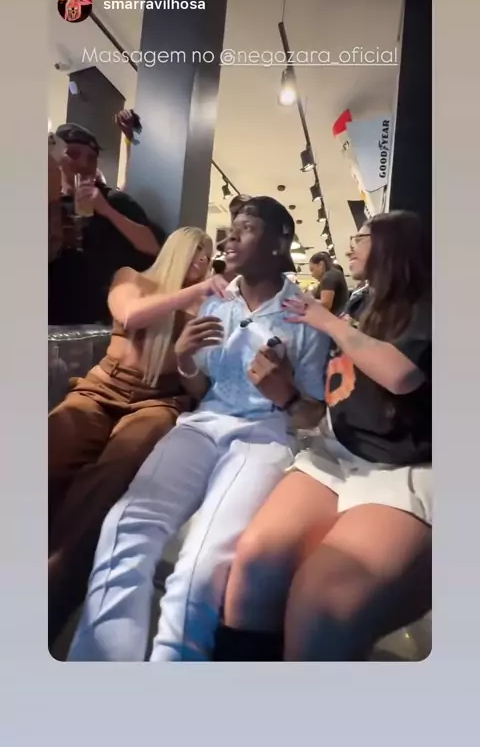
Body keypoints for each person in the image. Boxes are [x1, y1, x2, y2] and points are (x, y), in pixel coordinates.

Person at [67, 196, 331, 662]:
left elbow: (312, 416)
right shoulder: (215, 303)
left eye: (246, 227)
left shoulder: (304, 315)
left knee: (202, 563)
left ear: (279, 242)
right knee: (125, 526)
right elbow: (200, 384)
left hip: (265, 435)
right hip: (203, 424)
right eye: (232, 226)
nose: (231, 237)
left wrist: (286, 394)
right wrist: (185, 357)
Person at [214, 210, 432, 662]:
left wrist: (327, 322)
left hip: (403, 469)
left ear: (394, 246)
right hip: (335, 453)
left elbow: (401, 375)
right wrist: (286, 392)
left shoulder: (428, 306)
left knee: (322, 605)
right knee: (255, 563)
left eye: (363, 237)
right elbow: (328, 401)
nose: (352, 245)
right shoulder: (362, 303)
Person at [48, 227, 225, 651]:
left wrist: (186, 355)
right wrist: (194, 293)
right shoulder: (133, 278)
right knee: (52, 449)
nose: (203, 260)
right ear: (176, 250)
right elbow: (129, 316)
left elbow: (201, 387)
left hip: (160, 400)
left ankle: (52, 588)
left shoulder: (207, 310)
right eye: (197, 251)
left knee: (111, 480)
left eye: (208, 254)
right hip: (102, 387)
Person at [48, 122, 164, 325]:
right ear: (58, 157)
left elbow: (154, 246)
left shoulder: (114, 200)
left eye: (91, 158)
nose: (84, 164)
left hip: (103, 319)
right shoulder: (50, 203)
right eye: (74, 154)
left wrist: (107, 210)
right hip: (53, 317)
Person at [309, 251, 349, 315]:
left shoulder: (328, 277)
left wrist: (307, 301)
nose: (312, 275)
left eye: (312, 270)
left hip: (335, 317)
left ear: (321, 265)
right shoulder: (333, 274)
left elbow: (325, 305)